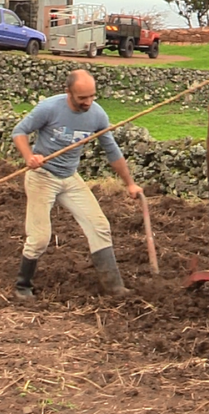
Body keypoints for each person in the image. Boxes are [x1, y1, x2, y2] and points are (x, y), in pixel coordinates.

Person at [11, 68, 143, 302]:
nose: (88, 102)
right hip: (42, 176)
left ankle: (114, 287)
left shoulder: (97, 115)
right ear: (68, 92)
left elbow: (112, 151)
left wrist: (130, 184)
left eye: (92, 96)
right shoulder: (50, 108)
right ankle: (23, 286)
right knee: (40, 237)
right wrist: (29, 157)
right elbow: (19, 132)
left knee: (100, 226)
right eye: (82, 98)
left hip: (70, 177)